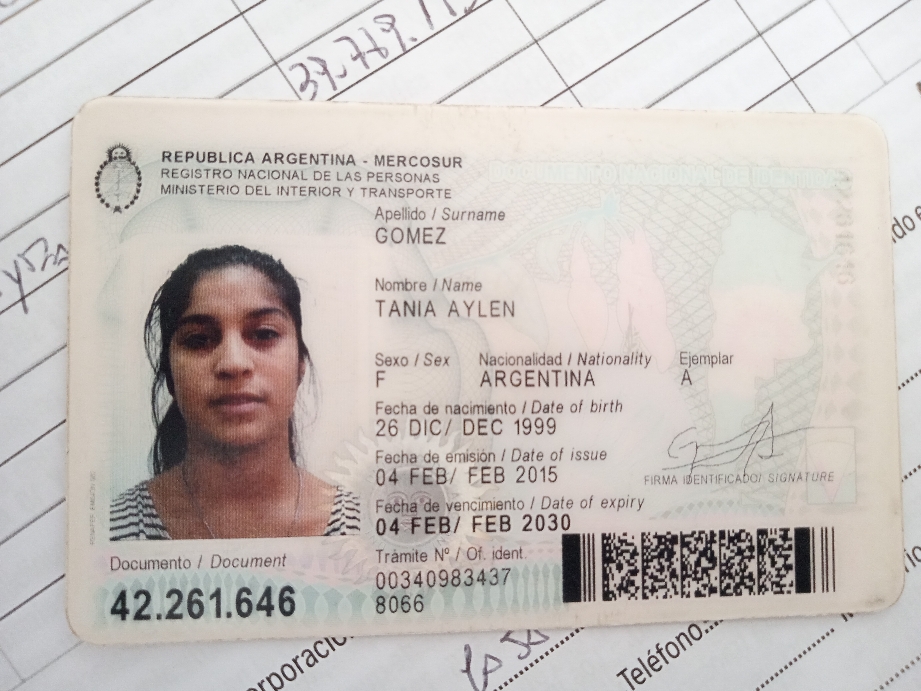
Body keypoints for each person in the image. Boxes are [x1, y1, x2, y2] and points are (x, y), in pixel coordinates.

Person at [110, 245, 359, 540]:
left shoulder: (364, 531)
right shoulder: (114, 531)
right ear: (170, 374)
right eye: (199, 339)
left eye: (264, 334)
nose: (233, 363)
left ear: (300, 365)